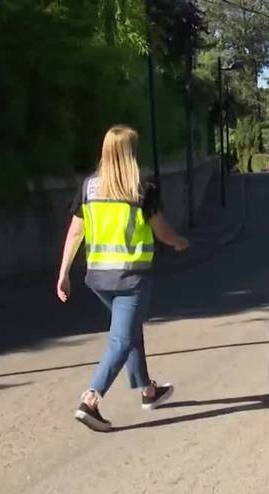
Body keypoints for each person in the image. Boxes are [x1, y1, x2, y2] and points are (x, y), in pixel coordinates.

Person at [56, 125, 190, 432]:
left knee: (129, 330)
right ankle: (90, 400)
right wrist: (179, 242)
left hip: (99, 279)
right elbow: (162, 231)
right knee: (122, 339)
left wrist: (64, 272)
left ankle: (148, 391)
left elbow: (76, 231)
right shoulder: (142, 186)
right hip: (131, 279)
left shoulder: (89, 186)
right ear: (131, 152)